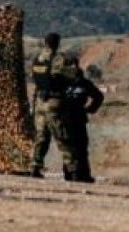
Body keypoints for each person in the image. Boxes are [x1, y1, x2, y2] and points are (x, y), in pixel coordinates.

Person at [57, 53, 103, 183]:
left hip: (71, 117)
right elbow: (98, 96)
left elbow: (98, 96)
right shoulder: (70, 82)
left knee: (74, 147)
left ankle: (75, 174)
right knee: (74, 147)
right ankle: (77, 174)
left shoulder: (67, 81)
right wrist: (90, 109)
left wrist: (90, 109)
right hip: (71, 117)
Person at [28, 32, 64, 178]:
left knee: (41, 136)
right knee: (62, 137)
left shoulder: (37, 59)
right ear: (57, 43)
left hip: (39, 101)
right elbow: (61, 77)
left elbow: (35, 78)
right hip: (52, 100)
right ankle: (73, 169)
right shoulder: (57, 59)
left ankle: (35, 166)